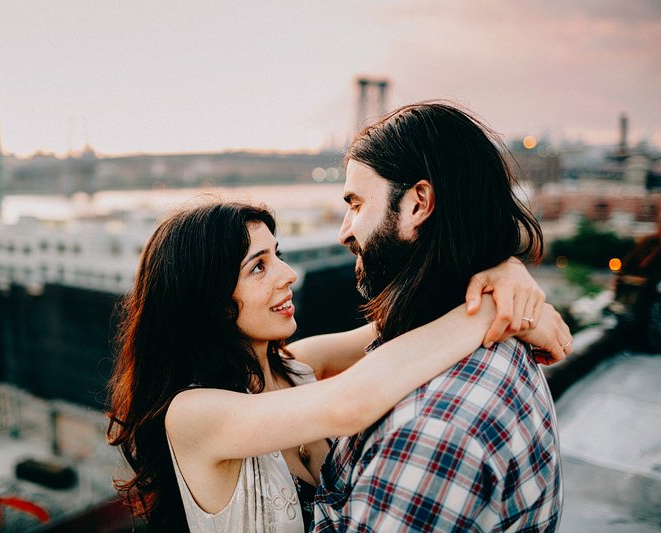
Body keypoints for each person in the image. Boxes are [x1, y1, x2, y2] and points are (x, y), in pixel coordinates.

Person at [106, 201, 570, 532]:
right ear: (206, 300)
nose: (288, 274)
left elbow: (415, 323)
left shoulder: (293, 366)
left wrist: (503, 274)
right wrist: (495, 313)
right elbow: (352, 404)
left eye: (278, 255)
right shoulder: (193, 414)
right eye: (259, 267)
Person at [311, 102, 567, 532]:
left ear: (418, 205)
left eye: (356, 204)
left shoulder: (429, 434)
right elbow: (298, 363)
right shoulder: (474, 338)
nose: (344, 231)